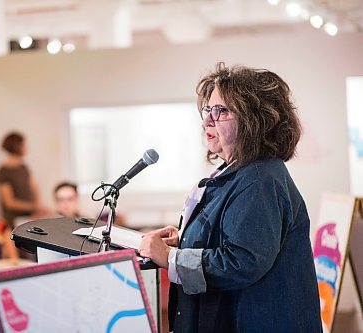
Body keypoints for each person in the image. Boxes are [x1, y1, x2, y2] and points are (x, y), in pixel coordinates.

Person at [138, 63, 322, 332]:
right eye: (207, 110)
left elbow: (242, 261)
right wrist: (187, 237)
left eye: (221, 111)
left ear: (253, 119)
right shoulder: (241, 172)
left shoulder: (259, 179)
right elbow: (238, 234)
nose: (207, 121)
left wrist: (170, 257)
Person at [0, 132, 50, 228]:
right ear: (16, 146)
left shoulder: (23, 166)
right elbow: (10, 202)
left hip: (30, 217)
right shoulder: (3, 171)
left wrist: (37, 208)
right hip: (15, 220)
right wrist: (34, 207)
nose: (27, 147)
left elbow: (34, 186)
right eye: (24, 144)